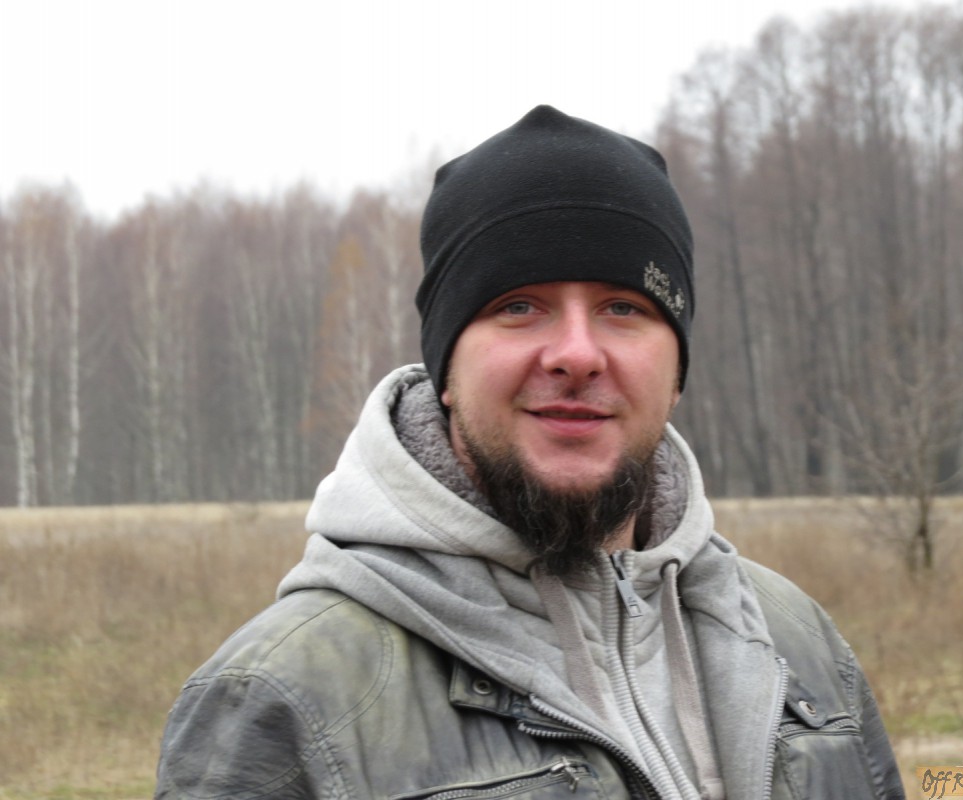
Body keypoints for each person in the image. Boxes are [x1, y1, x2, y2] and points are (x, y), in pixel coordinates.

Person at [154, 105, 904, 800]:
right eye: (517, 306)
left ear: (676, 372)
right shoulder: (283, 696)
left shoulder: (795, 640)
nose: (576, 354)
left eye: (623, 308)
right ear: (446, 369)